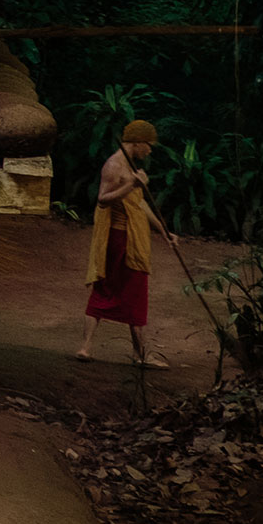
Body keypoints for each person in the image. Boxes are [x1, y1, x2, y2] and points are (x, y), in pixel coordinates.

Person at [76, 119, 176, 367]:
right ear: (138, 142)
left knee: (134, 293)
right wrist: (132, 182)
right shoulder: (114, 166)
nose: (150, 151)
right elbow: (102, 199)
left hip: (133, 237)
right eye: (149, 145)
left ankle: (138, 353)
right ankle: (87, 347)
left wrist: (164, 231)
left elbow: (140, 204)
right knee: (107, 288)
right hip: (117, 237)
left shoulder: (131, 165)